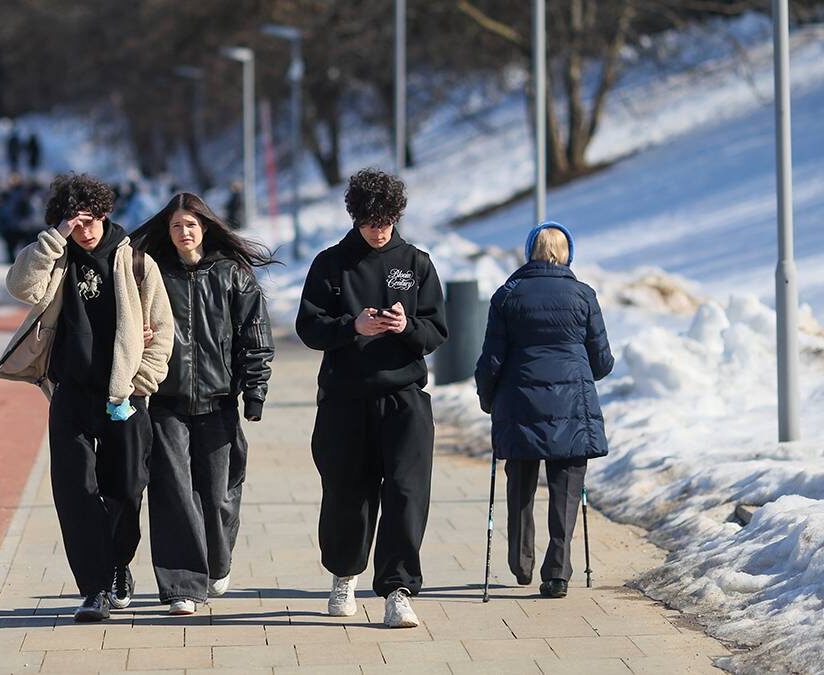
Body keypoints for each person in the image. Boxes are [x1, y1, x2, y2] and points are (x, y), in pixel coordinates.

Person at [0, 173, 174, 622]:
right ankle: (94, 589)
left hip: (125, 396)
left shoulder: (136, 262)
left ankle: (118, 564)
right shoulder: (56, 259)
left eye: (92, 220)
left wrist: (142, 381)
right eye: (76, 222)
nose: (86, 230)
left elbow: (162, 330)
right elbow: (21, 287)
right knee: (75, 492)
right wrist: (55, 238)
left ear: (105, 214)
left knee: (127, 490)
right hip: (71, 393)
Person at [296, 168, 447, 628]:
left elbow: (437, 328)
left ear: (397, 216)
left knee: (406, 491)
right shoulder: (330, 263)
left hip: (404, 397)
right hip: (345, 399)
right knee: (347, 492)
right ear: (355, 217)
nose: (379, 231)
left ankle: (398, 589)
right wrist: (352, 327)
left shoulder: (416, 262)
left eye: (387, 221)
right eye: (370, 222)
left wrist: (407, 327)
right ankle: (344, 574)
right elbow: (308, 327)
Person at [132, 192, 276, 615]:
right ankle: (181, 586)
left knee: (217, 494)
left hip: (218, 401)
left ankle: (217, 563)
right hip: (165, 400)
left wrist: (256, 391)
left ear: (205, 227)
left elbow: (256, 336)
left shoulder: (233, 275)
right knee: (173, 493)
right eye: (176, 226)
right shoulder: (152, 273)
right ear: (168, 231)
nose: (183, 233)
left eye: (191, 225)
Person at [474, 222, 614, 599]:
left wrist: (488, 399)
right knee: (566, 491)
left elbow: (491, 359)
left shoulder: (507, 296)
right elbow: (601, 362)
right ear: (568, 254)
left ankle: (521, 564)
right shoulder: (584, 295)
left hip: (519, 405)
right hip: (572, 407)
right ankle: (557, 573)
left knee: (519, 486)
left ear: (528, 252)